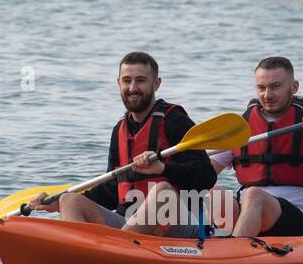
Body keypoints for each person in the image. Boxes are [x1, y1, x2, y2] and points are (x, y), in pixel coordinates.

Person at [27, 52, 216, 236]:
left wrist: (163, 169)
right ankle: (80, 253)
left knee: (162, 191)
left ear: (156, 84)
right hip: (128, 221)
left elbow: (206, 177)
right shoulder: (119, 130)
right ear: (119, 83)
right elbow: (110, 190)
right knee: (70, 200)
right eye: (127, 80)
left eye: (140, 80)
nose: (133, 87)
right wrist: (57, 202)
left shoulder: (175, 121)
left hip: (176, 221)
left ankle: (116, 248)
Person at [208, 56, 303, 237]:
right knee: (215, 193)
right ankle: (216, 247)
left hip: (297, 216)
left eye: (275, 86)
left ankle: (232, 255)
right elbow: (202, 175)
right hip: (248, 210)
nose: (267, 95)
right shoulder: (241, 130)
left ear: (294, 87)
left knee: (254, 195)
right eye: (261, 88)